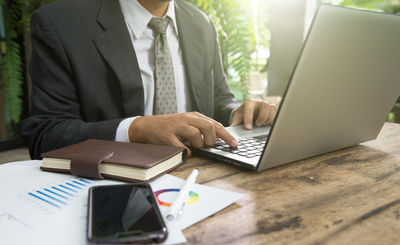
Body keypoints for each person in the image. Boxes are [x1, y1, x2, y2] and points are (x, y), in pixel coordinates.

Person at [21, 0, 278, 159]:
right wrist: (137, 129)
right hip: (112, 189)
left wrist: (241, 112)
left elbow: (220, 99)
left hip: (200, 178)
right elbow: (46, 136)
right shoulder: (61, 23)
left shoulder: (202, 24)